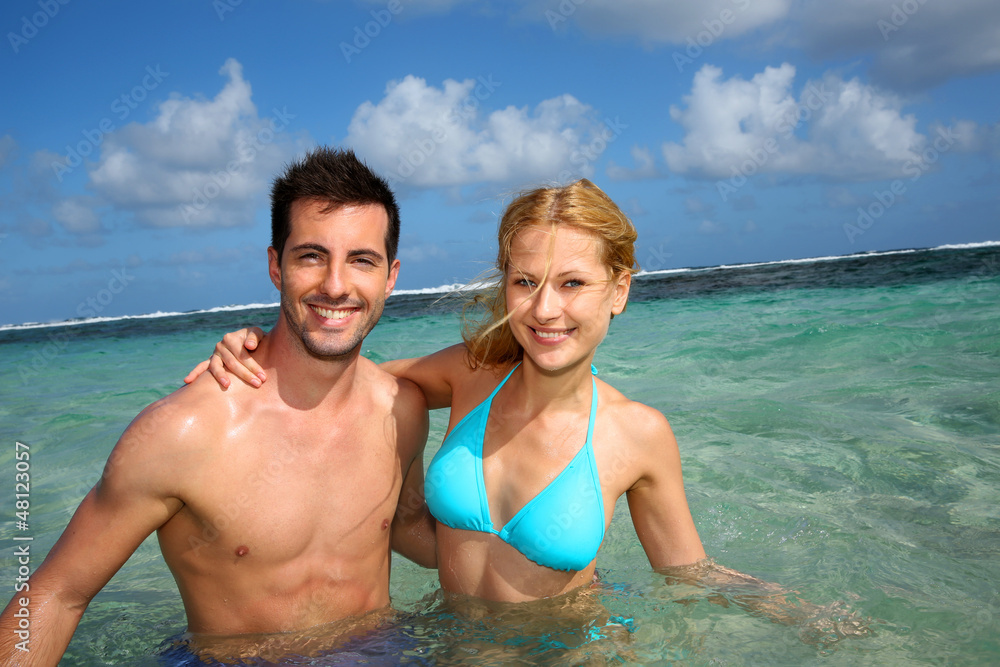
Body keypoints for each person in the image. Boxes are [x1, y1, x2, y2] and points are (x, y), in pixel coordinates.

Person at [193, 178, 855, 633]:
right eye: (526, 281)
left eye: (573, 283)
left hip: (569, 651)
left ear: (618, 290)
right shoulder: (472, 374)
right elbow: (340, 383)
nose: (545, 309)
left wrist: (793, 610)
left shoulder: (636, 433)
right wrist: (256, 350)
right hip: (450, 644)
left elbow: (689, 569)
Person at [0, 147, 433, 665]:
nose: (336, 285)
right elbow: (57, 595)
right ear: (276, 266)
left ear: (391, 276)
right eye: (311, 255)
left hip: (381, 651)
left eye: (361, 259)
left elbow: (409, 530)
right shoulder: (183, 432)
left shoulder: (401, 409)